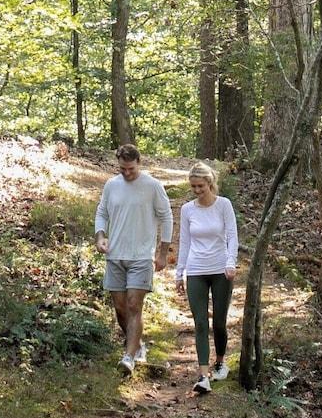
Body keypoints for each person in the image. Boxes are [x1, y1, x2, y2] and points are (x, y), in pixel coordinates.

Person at [94, 143, 172, 374]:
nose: (127, 173)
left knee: (133, 304)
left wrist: (162, 252)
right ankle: (137, 345)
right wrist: (100, 237)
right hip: (115, 255)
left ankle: (128, 357)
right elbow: (102, 213)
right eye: (122, 169)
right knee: (120, 308)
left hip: (141, 256)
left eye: (131, 169)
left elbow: (166, 218)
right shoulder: (111, 185)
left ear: (139, 163)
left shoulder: (152, 186)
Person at [176, 160, 238, 394]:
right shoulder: (187, 209)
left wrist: (231, 263)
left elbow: (232, 236)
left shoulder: (224, 205)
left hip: (221, 269)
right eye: (193, 187)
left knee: (219, 322)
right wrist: (179, 273)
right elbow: (185, 242)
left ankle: (220, 361)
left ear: (209, 183)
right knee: (200, 322)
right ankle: (203, 376)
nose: (197, 191)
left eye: (200, 186)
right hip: (196, 270)